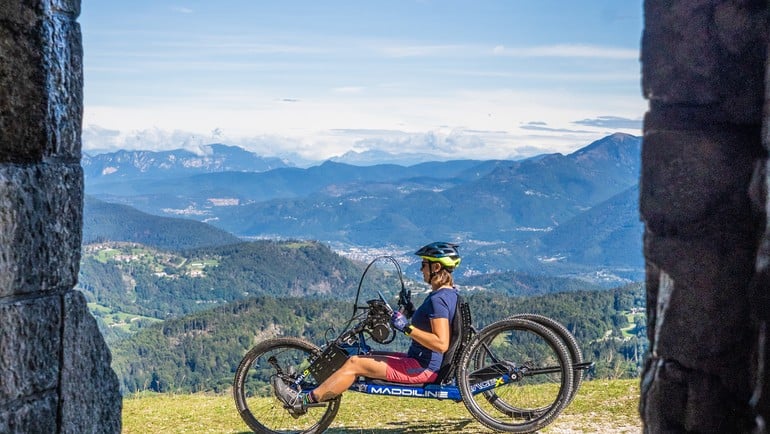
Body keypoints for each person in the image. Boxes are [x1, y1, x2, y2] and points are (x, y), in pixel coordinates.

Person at [272, 241, 462, 416]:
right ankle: (310, 387)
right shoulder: (446, 294)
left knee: (355, 363)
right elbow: (429, 325)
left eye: (424, 264)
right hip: (419, 361)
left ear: (436, 267)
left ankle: (301, 401)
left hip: (422, 368)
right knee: (364, 354)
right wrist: (409, 312)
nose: (421, 269)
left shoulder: (439, 300)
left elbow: (440, 343)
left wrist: (406, 327)